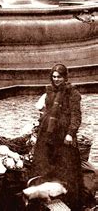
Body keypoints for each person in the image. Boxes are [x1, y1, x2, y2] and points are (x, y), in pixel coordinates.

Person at [30, 63, 85, 210]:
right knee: (45, 165)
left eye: (59, 77)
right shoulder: (49, 92)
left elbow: (76, 116)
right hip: (48, 135)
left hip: (63, 137)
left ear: (65, 77)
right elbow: (46, 112)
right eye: (54, 77)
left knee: (66, 168)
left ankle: (70, 201)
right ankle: (46, 199)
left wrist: (70, 133)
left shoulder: (73, 93)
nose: (56, 80)